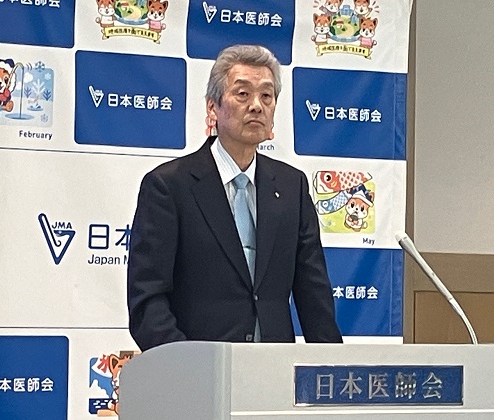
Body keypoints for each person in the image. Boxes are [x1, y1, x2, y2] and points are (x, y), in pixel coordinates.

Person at [127, 44, 342, 351]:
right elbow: (148, 301)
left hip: (272, 368)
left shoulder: (291, 186)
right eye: (242, 94)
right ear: (212, 107)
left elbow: (314, 294)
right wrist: (189, 364)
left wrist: (331, 364)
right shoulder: (169, 186)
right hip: (199, 369)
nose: (256, 106)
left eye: (266, 96)